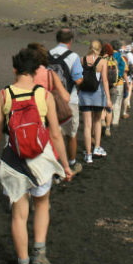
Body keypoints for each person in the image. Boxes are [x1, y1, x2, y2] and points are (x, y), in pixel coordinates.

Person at [0, 48, 72, 264]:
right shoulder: (43, 95)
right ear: (35, 71)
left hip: (13, 158)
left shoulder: (3, 94)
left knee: (18, 214)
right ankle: (39, 253)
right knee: (42, 205)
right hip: (41, 158)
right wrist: (64, 165)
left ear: (15, 69)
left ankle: (22, 261)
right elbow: (55, 134)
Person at [49, 29, 83, 170]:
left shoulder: (47, 54)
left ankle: (55, 163)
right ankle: (71, 163)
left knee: (54, 133)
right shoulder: (73, 56)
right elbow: (78, 79)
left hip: (51, 99)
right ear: (70, 41)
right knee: (71, 134)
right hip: (70, 100)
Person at [78, 40, 112, 163]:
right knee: (97, 122)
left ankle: (88, 154)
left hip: (84, 95)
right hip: (98, 94)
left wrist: (77, 91)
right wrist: (108, 98)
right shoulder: (103, 62)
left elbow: (78, 77)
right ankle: (96, 147)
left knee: (87, 125)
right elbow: (105, 81)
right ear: (100, 49)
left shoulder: (82, 60)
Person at [110, 40, 128, 127]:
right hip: (119, 82)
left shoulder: (107, 56)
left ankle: (107, 119)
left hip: (108, 82)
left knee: (109, 101)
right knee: (117, 101)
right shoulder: (121, 57)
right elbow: (125, 70)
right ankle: (115, 121)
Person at [119, 40, 133, 119]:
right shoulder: (129, 54)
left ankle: (114, 113)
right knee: (125, 96)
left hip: (117, 78)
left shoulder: (115, 53)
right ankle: (124, 112)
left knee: (117, 97)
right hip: (127, 78)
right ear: (125, 46)